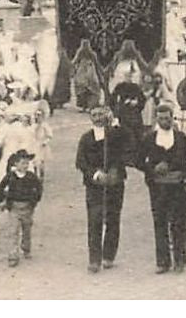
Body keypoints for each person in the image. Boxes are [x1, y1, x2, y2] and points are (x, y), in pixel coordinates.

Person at [137, 101, 186, 273]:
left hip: (177, 186)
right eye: (161, 118)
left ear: (172, 119)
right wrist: (152, 169)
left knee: (178, 223)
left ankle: (180, 260)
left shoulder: (180, 138)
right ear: (156, 119)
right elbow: (138, 160)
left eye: (167, 118)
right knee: (160, 223)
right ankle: (163, 262)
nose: (164, 121)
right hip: (157, 188)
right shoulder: (149, 138)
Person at [75, 107, 131, 273]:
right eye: (94, 115)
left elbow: (128, 149)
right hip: (95, 185)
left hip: (115, 183)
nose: (98, 118)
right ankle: (94, 259)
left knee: (113, 218)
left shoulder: (116, 135)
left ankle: (109, 255)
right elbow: (80, 162)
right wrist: (96, 174)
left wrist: (115, 169)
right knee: (94, 220)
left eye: (101, 114)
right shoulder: (86, 138)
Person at [0, 149, 44, 267]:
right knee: (13, 231)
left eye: (27, 163)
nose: (25, 166)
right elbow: (0, 188)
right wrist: (2, 200)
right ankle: (13, 255)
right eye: (22, 163)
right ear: (15, 164)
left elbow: (39, 188)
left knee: (26, 229)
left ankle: (26, 248)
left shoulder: (31, 177)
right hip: (14, 208)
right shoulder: (10, 177)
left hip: (27, 207)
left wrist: (34, 201)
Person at [110, 63, 148, 145]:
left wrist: (136, 104)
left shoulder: (136, 87)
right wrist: (116, 110)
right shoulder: (119, 86)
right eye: (127, 76)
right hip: (123, 114)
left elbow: (142, 99)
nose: (128, 78)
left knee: (137, 135)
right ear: (124, 76)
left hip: (134, 114)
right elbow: (112, 99)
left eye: (130, 76)